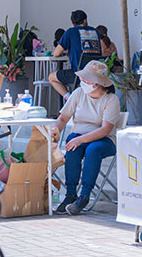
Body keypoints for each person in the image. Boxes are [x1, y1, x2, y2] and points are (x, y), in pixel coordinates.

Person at [51, 60, 120, 215]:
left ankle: (84, 196)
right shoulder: (78, 93)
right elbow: (63, 118)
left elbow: (105, 129)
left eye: (86, 79)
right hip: (79, 136)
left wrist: (81, 139)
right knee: (72, 145)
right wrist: (55, 131)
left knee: (93, 149)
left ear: (97, 83)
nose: (82, 82)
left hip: (104, 140)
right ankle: (70, 194)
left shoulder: (111, 100)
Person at [50, 10, 102, 98]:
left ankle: (70, 99)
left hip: (79, 74)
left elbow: (56, 53)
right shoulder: (95, 32)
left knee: (51, 77)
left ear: (72, 23)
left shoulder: (70, 32)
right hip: (96, 73)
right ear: (85, 20)